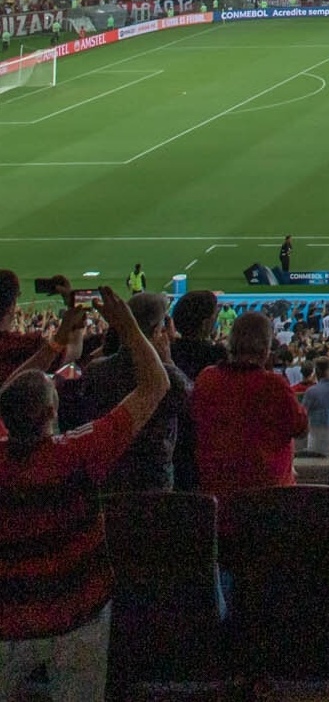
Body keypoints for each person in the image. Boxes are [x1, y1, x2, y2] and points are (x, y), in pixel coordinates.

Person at [0, 286, 169, 702]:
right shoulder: (80, 451)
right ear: (53, 413)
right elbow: (154, 384)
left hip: (7, 619)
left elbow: (6, 397)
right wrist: (128, 326)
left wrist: (56, 344)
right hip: (78, 614)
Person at [69, 292, 191, 495]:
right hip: (155, 487)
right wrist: (167, 362)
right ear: (155, 333)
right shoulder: (169, 377)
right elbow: (191, 400)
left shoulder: (96, 370)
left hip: (109, 484)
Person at [191, 310, 308, 496]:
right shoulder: (273, 385)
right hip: (269, 494)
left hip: (217, 492)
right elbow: (300, 428)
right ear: (266, 348)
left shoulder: (207, 378)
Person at [168, 290, 226, 381]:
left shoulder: (168, 350)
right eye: (215, 316)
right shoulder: (217, 354)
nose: (216, 319)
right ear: (205, 324)